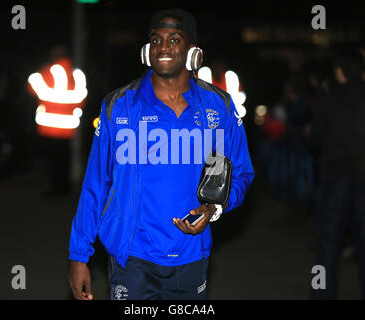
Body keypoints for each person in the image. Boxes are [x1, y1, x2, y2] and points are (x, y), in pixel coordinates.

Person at [68, 8, 254, 300]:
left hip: (192, 257)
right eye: (156, 40)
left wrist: (213, 209)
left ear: (194, 52)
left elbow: (241, 173)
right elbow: (95, 185)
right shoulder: (119, 107)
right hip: (132, 259)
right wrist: (79, 256)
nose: (163, 47)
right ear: (146, 50)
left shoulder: (218, 107)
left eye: (174, 39)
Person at [310, 50, 365, 299]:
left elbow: (315, 142)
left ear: (339, 72)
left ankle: (324, 294)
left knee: (329, 243)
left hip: (335, 179)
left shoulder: (327, 102)